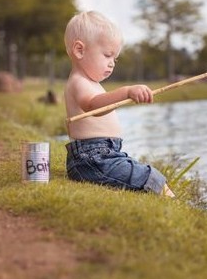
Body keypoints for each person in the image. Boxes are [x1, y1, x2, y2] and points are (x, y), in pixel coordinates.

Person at [63, 10, 175, 197]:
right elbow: (93, 106)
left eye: (115, 58)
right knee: (148, 176)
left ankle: (164, 196)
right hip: (92, 158)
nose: (112, 64)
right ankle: (173, 204)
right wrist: (126, 92)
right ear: (79, 50)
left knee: (140, 171)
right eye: (107, 55)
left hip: (105, 154)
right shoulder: (78, 81)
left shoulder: (91, 82)